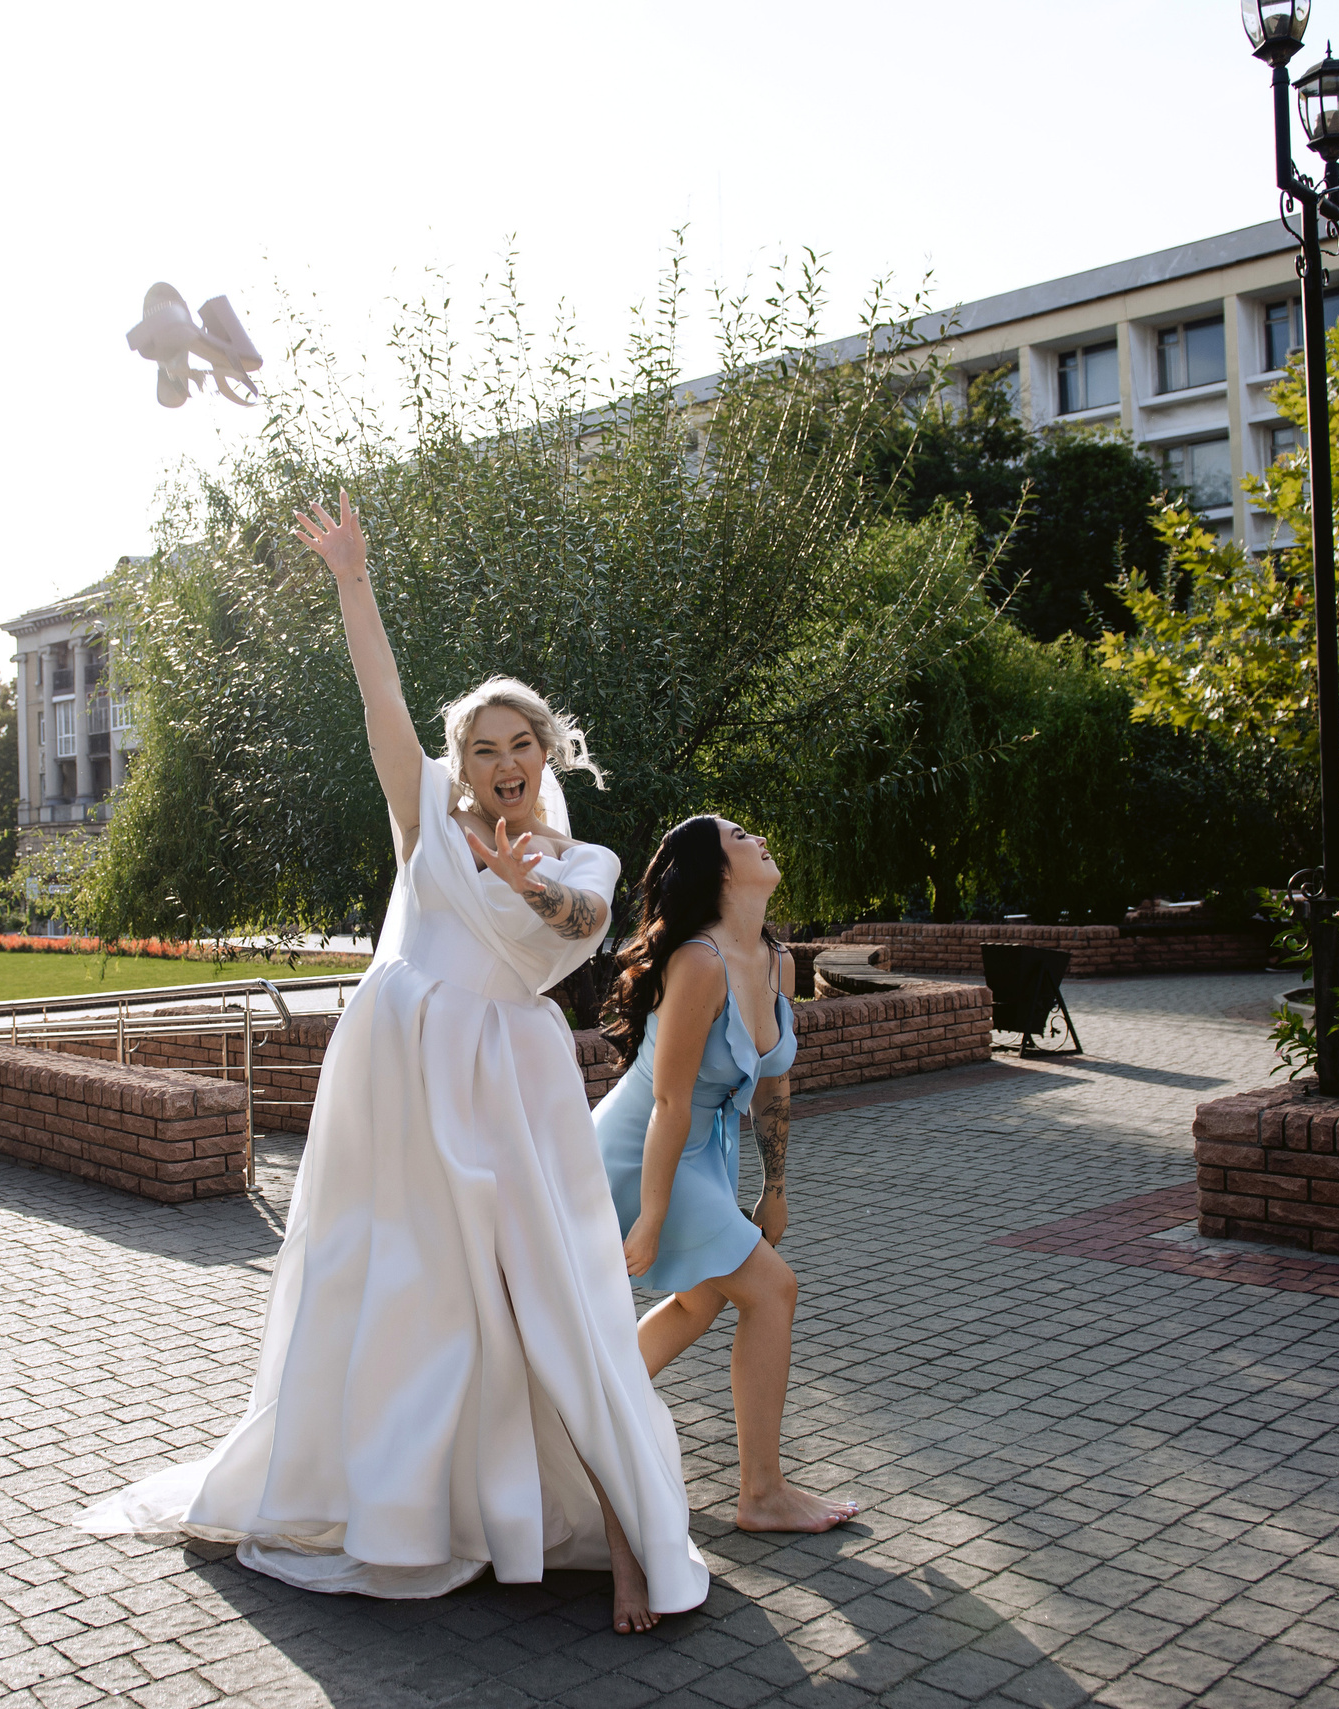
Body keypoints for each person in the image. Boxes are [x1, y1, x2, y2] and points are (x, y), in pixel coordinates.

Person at [79, 492, 709, 1633]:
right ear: (463, 762)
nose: (504, 761)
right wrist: (352, 582)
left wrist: (528, 883)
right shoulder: (425, 814)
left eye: (522, 744)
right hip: (399, 1074)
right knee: (404, 1296)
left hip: (510, 1088)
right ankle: (402, 1509)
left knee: (553, 1301)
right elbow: (379, 697)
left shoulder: (592, 855)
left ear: (546, 754)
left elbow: (576, 925)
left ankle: (625, 1541)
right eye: (483, 746)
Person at [592, 816, 859, 1534]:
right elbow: (672, 1099)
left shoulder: (778, 961)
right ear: (713, 868)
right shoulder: (700, 962)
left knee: (701, 1302)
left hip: (702, 1151)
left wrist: (774, 1188)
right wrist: (650, 1213)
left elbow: (774, 1085)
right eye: (738, 834)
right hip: (642, 1146)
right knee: (773, 1290)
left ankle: (580, 1416)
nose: (759, 836)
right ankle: (761, 1494)